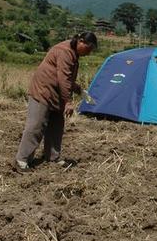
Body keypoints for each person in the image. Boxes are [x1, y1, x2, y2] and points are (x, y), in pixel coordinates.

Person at [15, 32, 97, 172]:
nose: (88, 53)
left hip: (56, 93)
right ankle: (22, 160)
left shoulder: (74, 53)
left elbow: (68, 79)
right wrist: (68, 102)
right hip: (43, 91)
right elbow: (63, 78)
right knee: (36, 125)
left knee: (56, 125)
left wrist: (80, 90)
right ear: (81, 41)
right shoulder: (65, 51)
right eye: (88, 49)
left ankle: (52, 157)